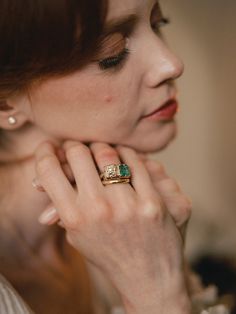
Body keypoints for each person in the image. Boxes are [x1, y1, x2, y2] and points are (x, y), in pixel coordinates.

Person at [0, 0, 229, 313]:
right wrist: (158, 291)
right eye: (112, 54)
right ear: (5, 104)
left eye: (158, 24)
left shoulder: (138, 219)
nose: (171, 64)